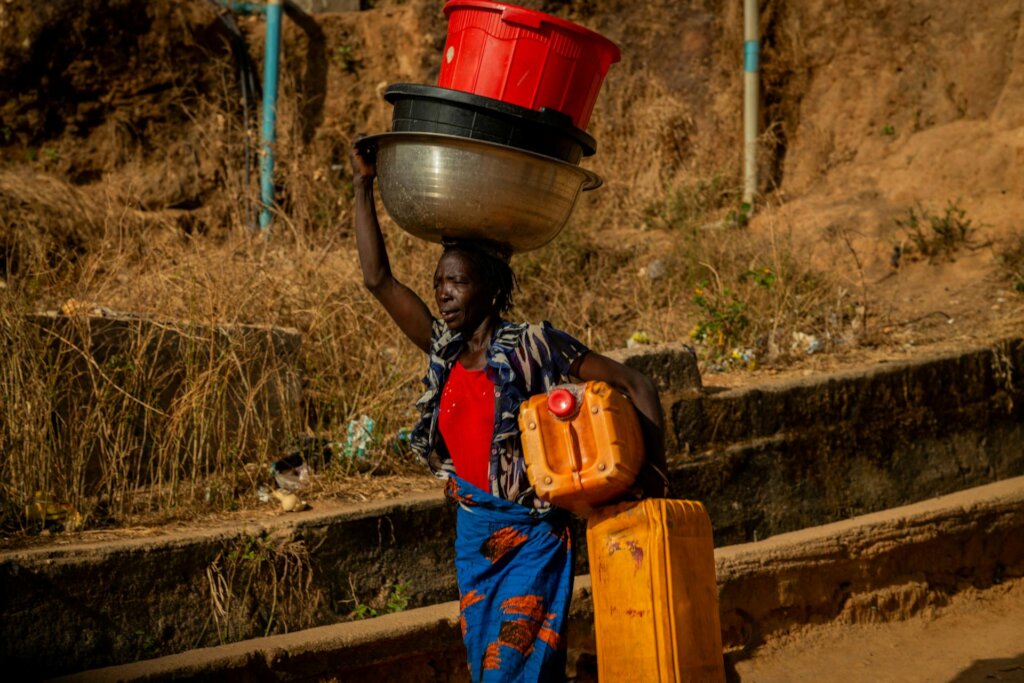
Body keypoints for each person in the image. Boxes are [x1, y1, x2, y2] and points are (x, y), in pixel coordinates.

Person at [350, 137, 667, 682]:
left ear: (492, 292)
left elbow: (635, 383)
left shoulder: (536, 346)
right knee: (497, 668)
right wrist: (362, 183)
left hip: (533, 538)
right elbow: (377, 279)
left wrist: (654, 479)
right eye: (439, 283)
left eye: (457, 282)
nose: (444, 293)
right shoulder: (441, 351)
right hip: (476, 538)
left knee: (510, 671)